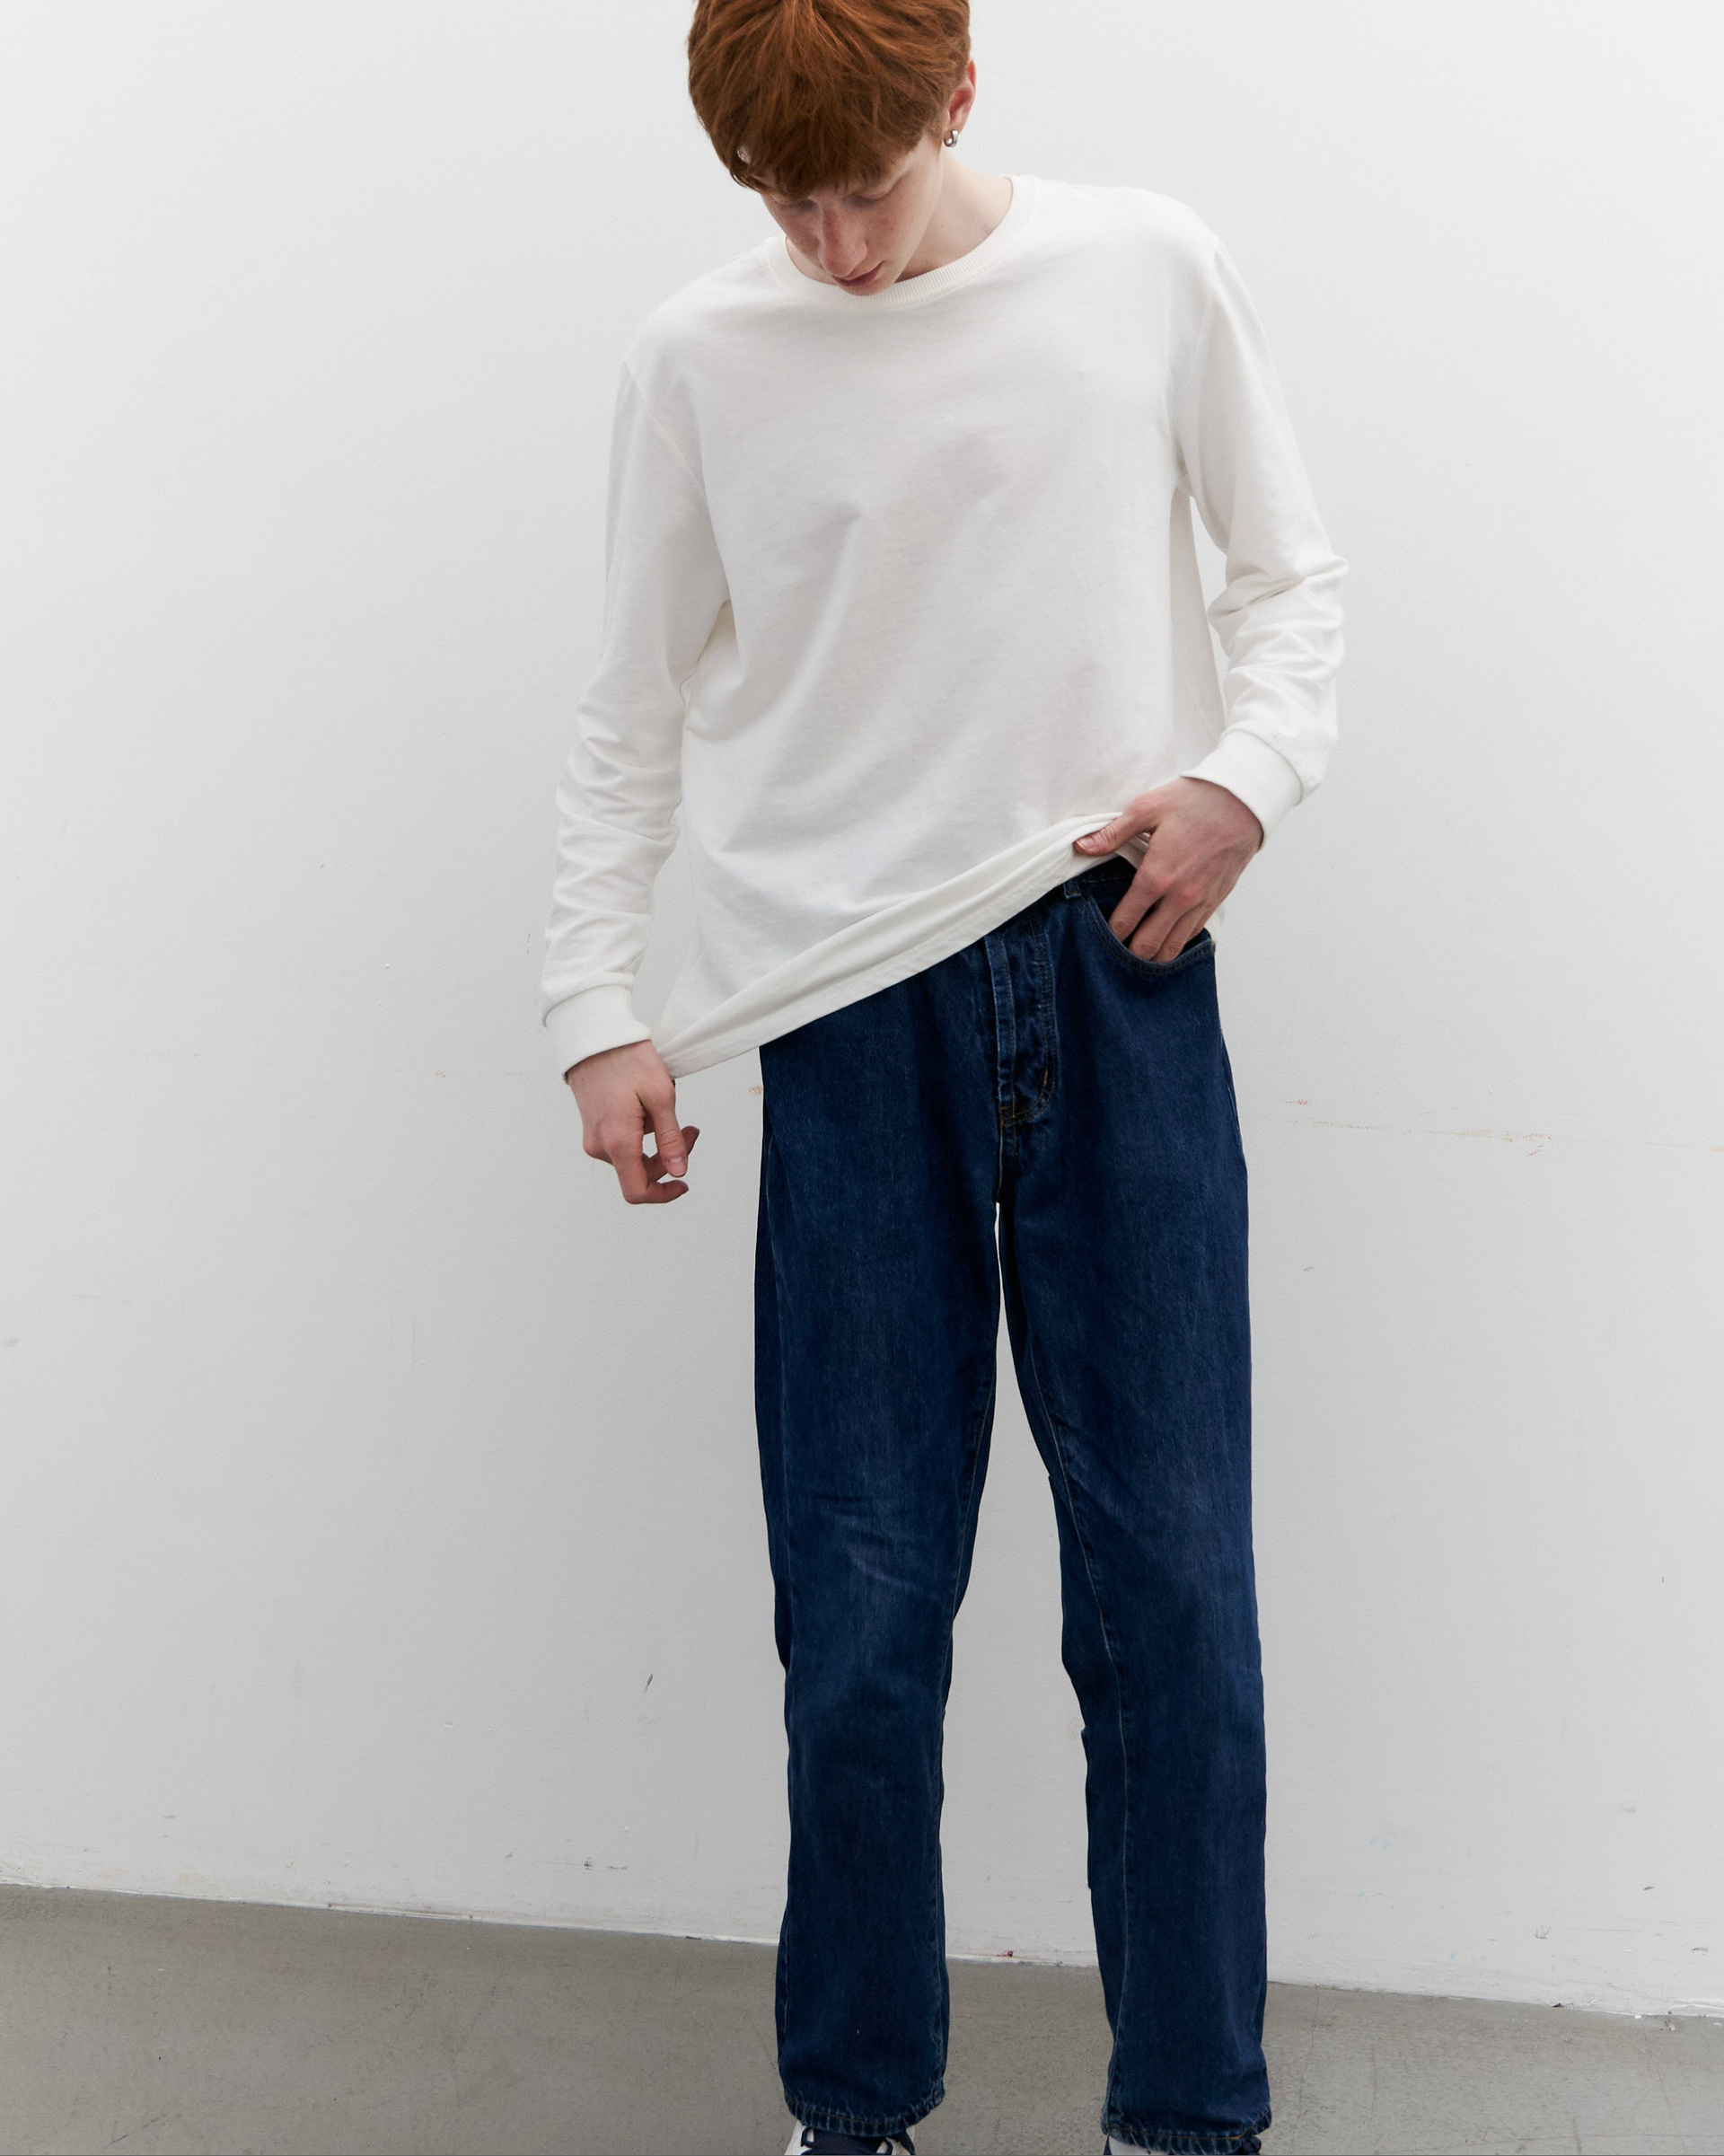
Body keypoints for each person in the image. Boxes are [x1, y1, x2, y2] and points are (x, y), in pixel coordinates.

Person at [541, 3, 1345, 2148]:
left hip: (1113, 962)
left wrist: (1244, 784)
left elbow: (1291, 582)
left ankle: (1190, 2117)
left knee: (1173, 1593)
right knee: (864, 1614)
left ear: (960, 96)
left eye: (868, 187)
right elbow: (630, 706)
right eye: (784, 202)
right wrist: (597, 1002)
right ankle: (854, 2107)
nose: (838, 248)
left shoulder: (1145, 268)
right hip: (840, 1012)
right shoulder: (700, 358)